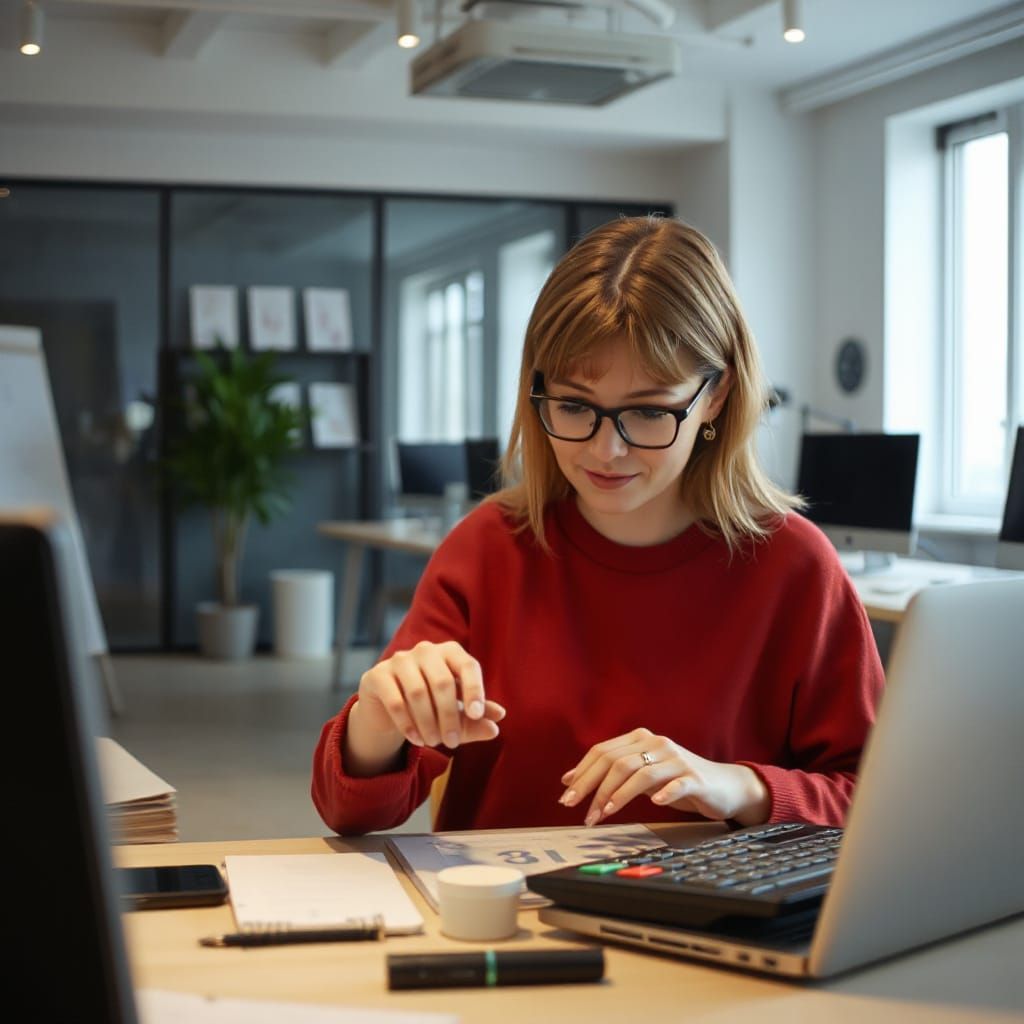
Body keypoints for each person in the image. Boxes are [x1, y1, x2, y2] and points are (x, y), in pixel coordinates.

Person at [312, 216, 884, 836]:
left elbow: (876, 798)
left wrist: (738, 784)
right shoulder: (489, 548)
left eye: (646, 412)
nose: (605, 451)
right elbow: (351, 811)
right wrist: (377, 719)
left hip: (712, 921)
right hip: (512, 920)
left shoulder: (793, 566)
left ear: (714, 397)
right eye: (574, 406)